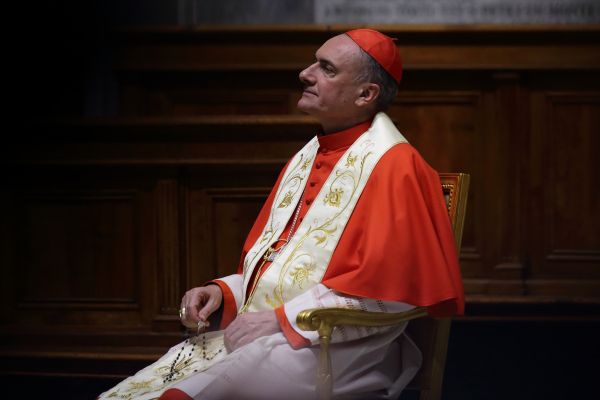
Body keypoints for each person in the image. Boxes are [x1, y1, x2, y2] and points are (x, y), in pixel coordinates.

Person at [99, 28, 464, 400]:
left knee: (211, 386)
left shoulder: (396, 165)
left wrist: (279, 320)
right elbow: (284, 266)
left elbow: (393, 292)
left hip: (344, 348)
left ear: (366, 94)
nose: (305, 73)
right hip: (282, 334)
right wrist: (222, 292)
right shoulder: (308, 155)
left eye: (326, 68)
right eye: (313, 62)